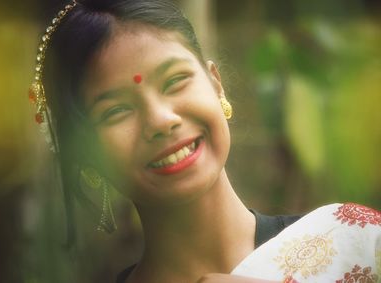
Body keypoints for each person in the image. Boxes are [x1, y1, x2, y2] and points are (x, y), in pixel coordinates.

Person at [28, 0, 381, 282]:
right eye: (117, 110)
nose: (162, 120)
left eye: (175, 81)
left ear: (216, 85)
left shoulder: (356, 242)